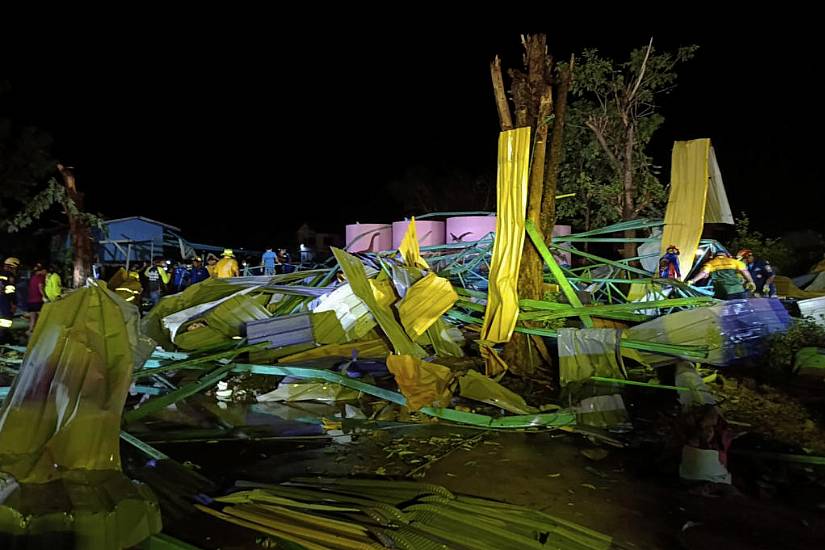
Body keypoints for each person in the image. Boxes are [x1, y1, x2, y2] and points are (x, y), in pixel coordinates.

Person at [687, 250, 755, 300]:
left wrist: (692, 281)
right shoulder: (735, 262)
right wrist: (751, 281)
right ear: (726, 255)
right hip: (738, 291)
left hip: (721, 293)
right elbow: (744, 271)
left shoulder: (710, 263)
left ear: (715, 256)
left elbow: (704, 273)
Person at [0, 257, 20, 343]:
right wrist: (13, 303)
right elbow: (10, 289)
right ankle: (2, 336)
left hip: (2, 297)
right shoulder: (9, 275)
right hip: (5, 298)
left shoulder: (2, 273)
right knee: (6, 318)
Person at [27, 263, 47, 334]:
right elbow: (40, 286)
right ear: (42, 270)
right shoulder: (41, 277)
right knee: (41, 317)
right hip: (38, 300)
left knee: (32, 317)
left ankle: (30, 330)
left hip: (30, 300)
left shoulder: (32, 277)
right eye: (45, 271)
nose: (46, 273)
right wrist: (44, 296)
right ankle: (39, 332)